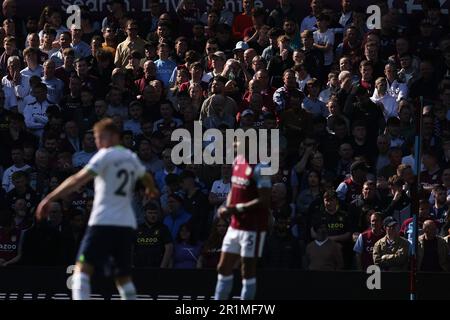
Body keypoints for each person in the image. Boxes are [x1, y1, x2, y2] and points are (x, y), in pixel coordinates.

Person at [35, 118, 158, 300]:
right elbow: (146, 175)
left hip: (103, 222)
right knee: (123, 277)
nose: (97, 142)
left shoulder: (105, 155)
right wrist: (151, 188)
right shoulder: (130, 157)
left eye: (100, 137)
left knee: (81, 271)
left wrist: (50, 197)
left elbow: (77, 179)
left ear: (113, 137)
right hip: (126, 225)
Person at [214, 141, 272, 300]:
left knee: (247, 272)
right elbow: (234, 188)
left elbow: (264, 201)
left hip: (253, 229)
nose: (234, 144)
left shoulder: (262, 168)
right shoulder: (237, 162)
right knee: (223, 267)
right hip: (234, 226)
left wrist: (235, 209)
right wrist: (226, 205)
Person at [134, 202, 173, 268]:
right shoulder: (137, 228)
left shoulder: (163, 228)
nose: (153, 215)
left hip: (157, 267)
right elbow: (131, 247)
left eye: (155, 213)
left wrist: (162, 267)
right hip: (139, 267)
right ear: (145, 214)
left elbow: (169, 247)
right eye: (150, 213)